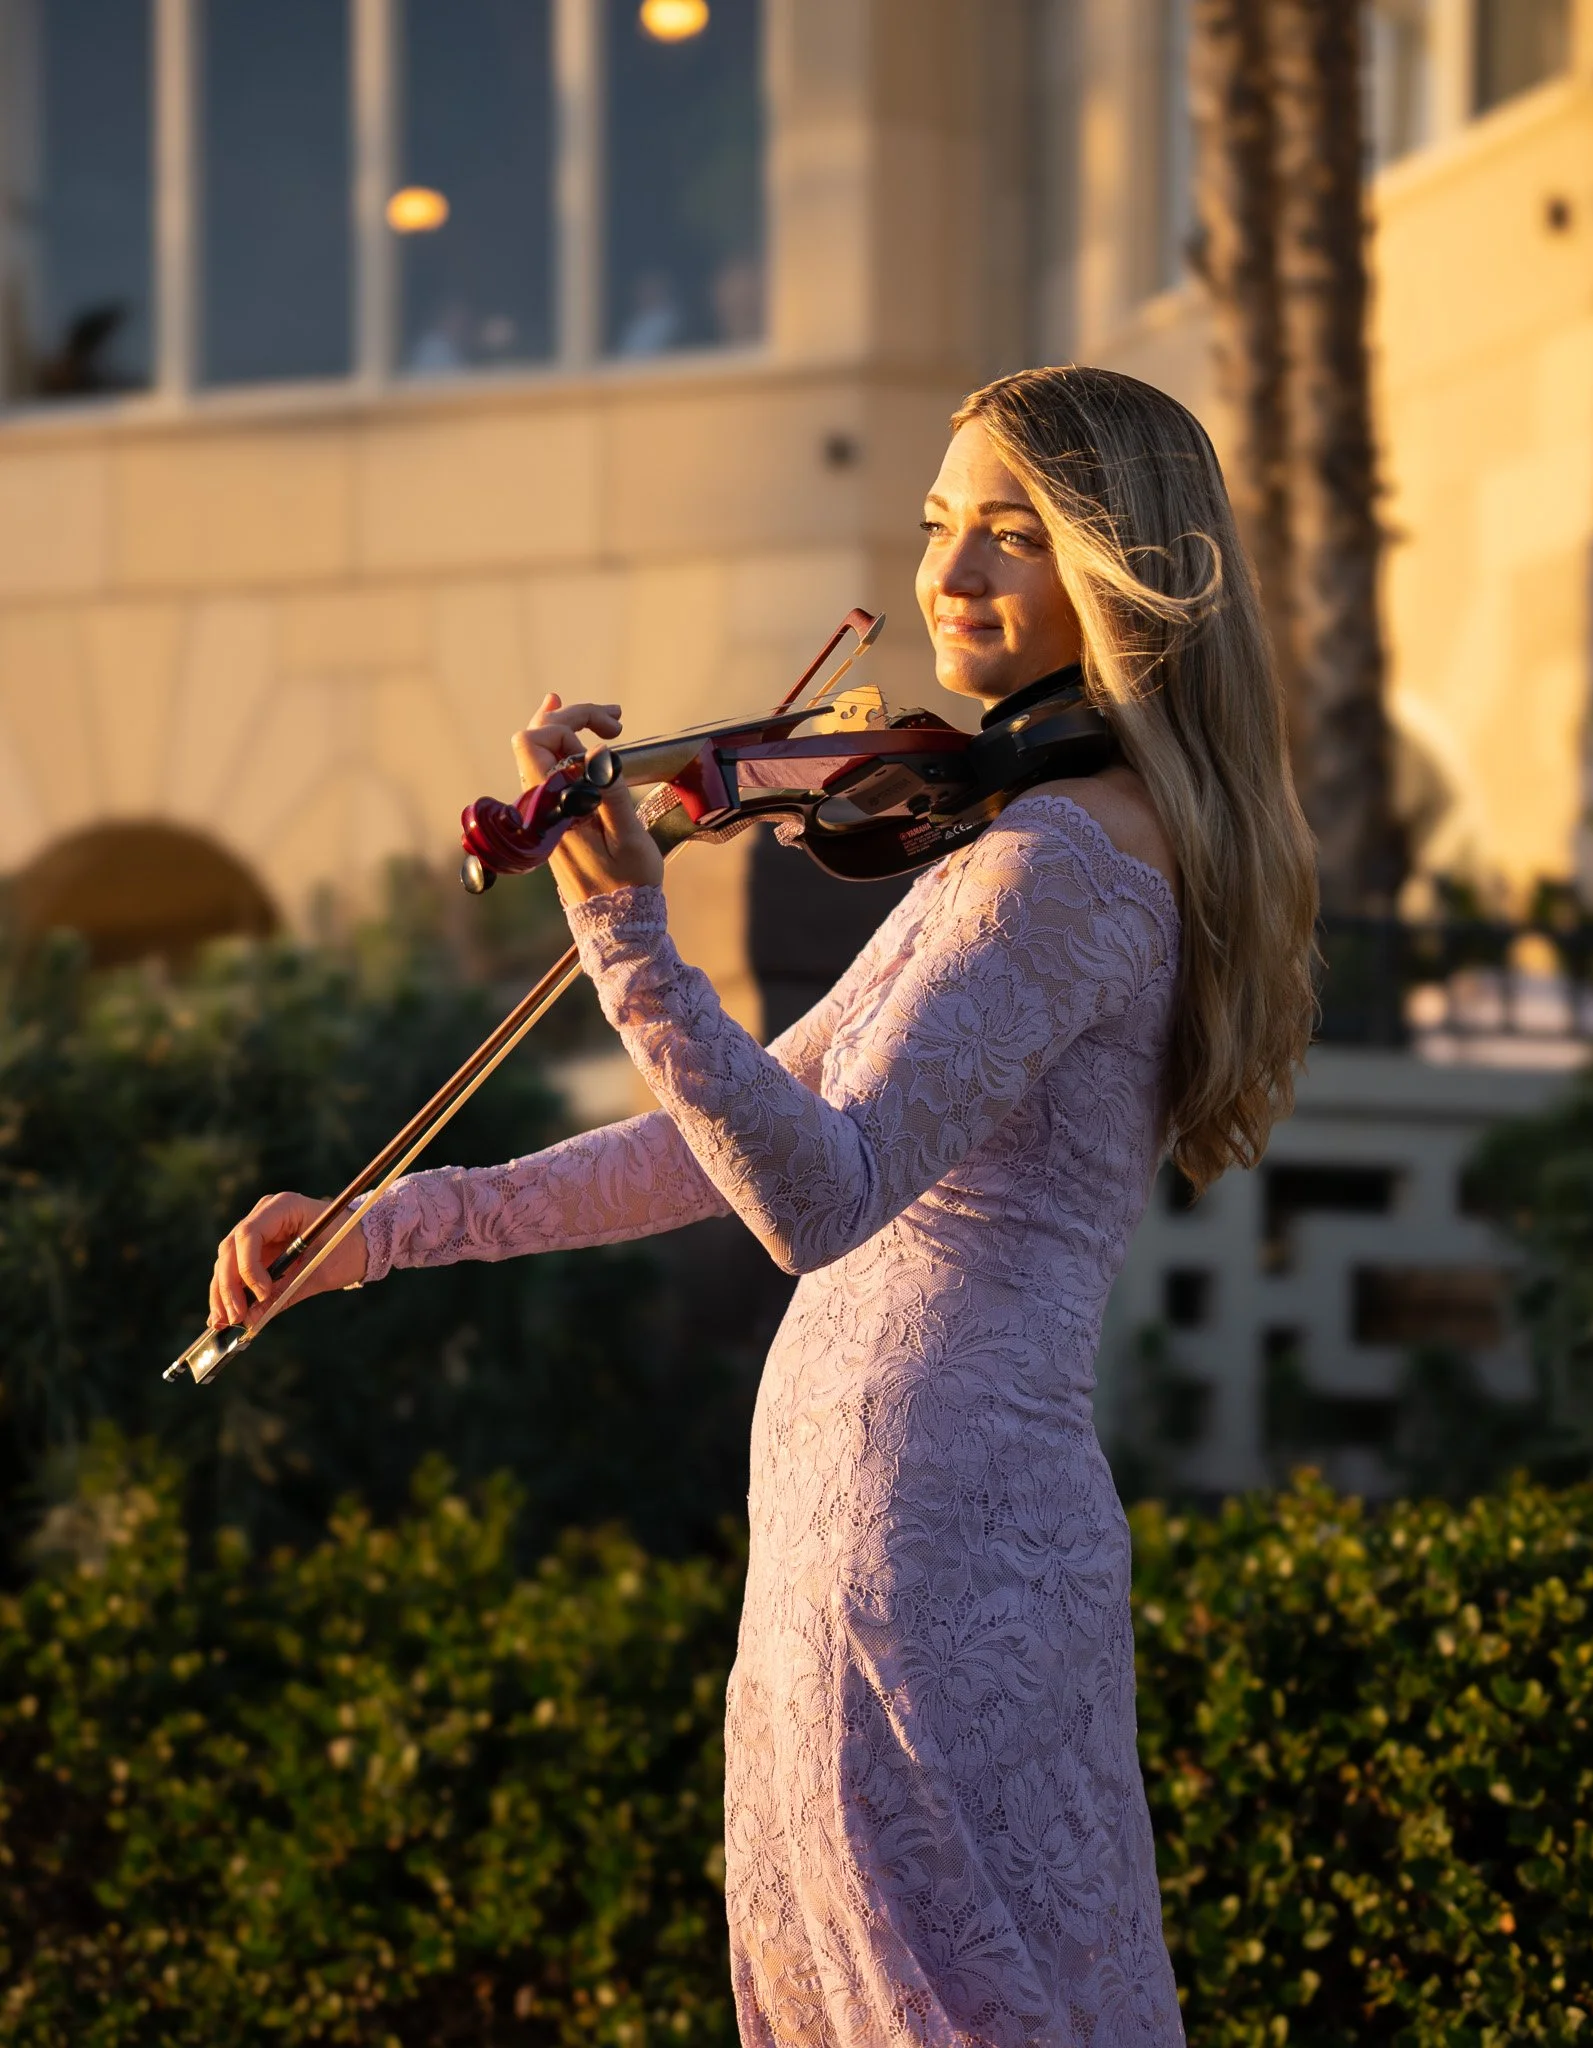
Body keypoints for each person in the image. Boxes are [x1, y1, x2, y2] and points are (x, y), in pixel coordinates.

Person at [211, 365, 1318, 2047]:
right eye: (942, 524)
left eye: (1010, 536)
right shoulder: (1019, 840)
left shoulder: (1053, 867)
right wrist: (384, 1228)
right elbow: (711, 1150)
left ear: (1122, 569)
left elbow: (819, 1197)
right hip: (882, 1527)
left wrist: (629, 942)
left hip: (923, 1534)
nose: (948, 576)